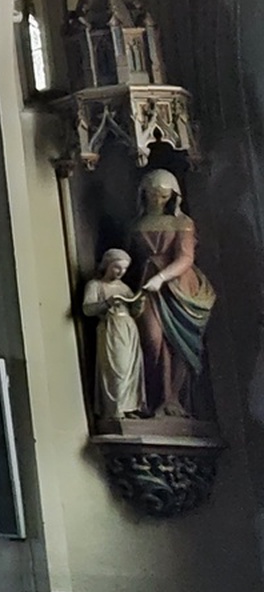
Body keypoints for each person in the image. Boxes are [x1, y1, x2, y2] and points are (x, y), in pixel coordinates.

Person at [128, 168, 216, 419]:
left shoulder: (182, 223)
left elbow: (185, 257)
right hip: (147, 284)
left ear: (173, 196)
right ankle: (154, 397)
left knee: (179, 343)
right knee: (153, 340)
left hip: (178, 287)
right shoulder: (135, 224)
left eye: (164, 196)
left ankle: (171, 399)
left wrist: (161, 277)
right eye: (153, 195)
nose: (157, 200)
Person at [78, 248, 143, 427]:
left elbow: (134, 311)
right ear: (107, 265)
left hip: (129, 328)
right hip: (111, 328)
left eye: (124, 269)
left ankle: (128, 407)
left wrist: (139, 304)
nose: (120, 272)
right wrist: (107, 303)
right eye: (116, 268)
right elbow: (87, 309)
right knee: (117, 368)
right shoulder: (95, 285)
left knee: (130, 369)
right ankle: (113, 409)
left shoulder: (124, 288)